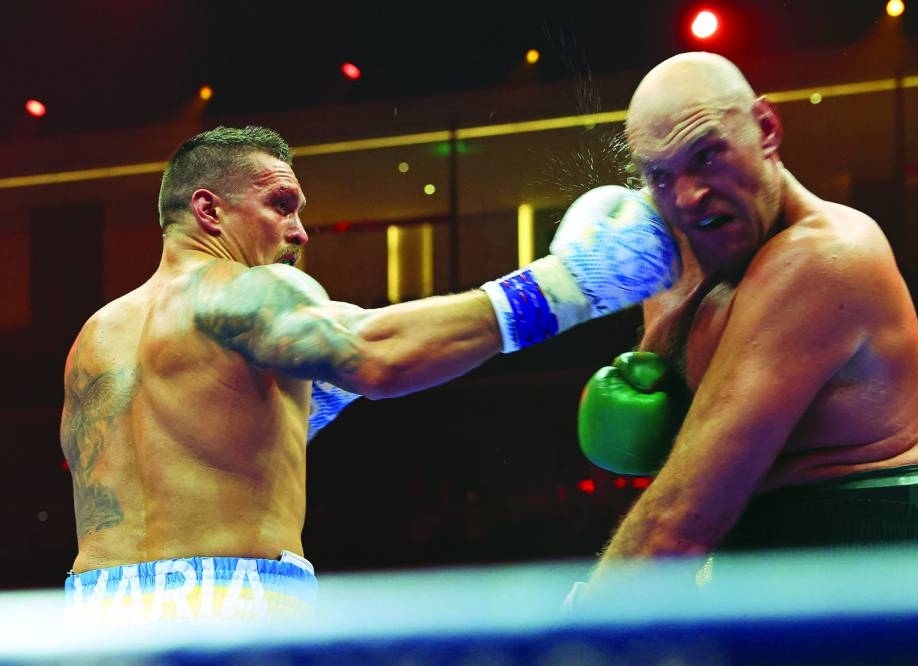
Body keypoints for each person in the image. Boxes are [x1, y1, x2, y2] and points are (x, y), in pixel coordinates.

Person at [60, 125, 680, 624]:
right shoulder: (243, 291)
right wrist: (578, 282)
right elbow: (377, 354)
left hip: (91, 616)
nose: (300, 230)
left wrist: (310, 401)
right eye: (280, 205)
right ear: (209, 210)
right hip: (230, 605)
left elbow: (192, 459)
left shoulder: (97, 335)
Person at [576, 52, 918, 596]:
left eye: (708, 155)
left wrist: (576, 626)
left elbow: (681, 519)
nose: (689, 194)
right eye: (661, 175)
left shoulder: (825, 258)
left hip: (878, 560)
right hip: (762, 555)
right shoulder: (677, 255)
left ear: (766, 128)